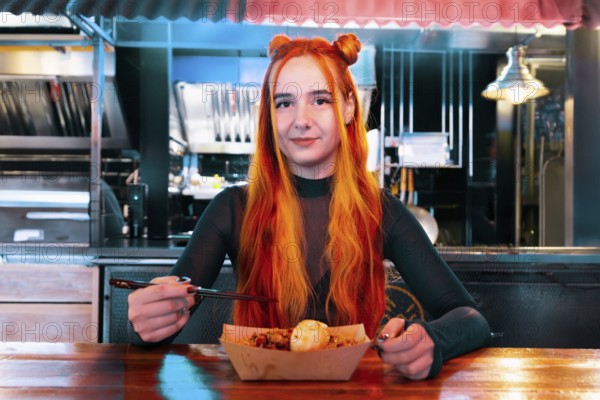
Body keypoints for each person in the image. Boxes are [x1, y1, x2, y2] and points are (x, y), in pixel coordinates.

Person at [127, 33, 491, 380]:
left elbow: (471, 319)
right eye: (284, 103)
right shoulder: (232, 208)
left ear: (349, 107)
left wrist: (431, 340)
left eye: (320, 100)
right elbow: (164, 314)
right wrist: (149, 320)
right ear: (270, 116)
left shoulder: (380, 211)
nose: (301, 119)